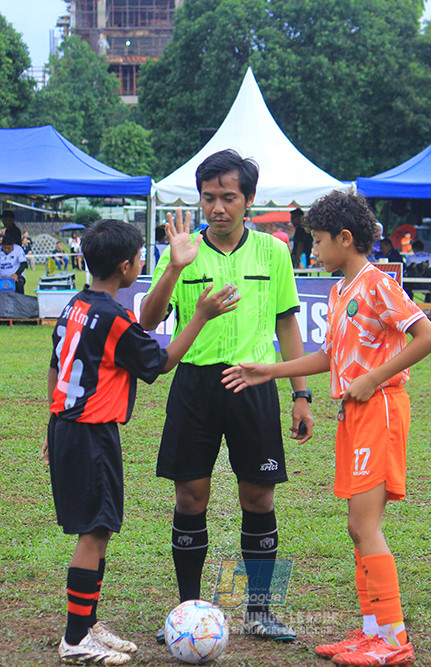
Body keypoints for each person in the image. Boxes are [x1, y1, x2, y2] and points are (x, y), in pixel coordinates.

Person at [221, 191, 431, 667]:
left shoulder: (378, 284)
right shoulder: (341, 290)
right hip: (353, 413)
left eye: (318, 241)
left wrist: (374, 377)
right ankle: (372, 631)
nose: (313, 250)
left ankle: (393, 640)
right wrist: (269, 371)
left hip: (380, 408)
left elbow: (428, 337)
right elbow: (331, 357)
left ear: (345, 238)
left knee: (365, 525)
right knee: (356, 527)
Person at [44, 219, 238, 666]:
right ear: (127, 267)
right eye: (140, 259)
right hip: (90, 432)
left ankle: (89, 623)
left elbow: (55, 366)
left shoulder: (77, 304)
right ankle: (75, 639)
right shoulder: (113, 318)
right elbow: (162, 362)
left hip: (69, 425)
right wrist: (200, 317)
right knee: (95, 530)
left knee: (100, 528)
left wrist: (52, 424)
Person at [138, 149, 313, 643]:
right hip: (194, 385)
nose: (217, 207)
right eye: (208, 197)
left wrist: (301, 395)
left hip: (254, 384)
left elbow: (286, 322)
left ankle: (259, 610)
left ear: (249, 199)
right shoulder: (181, 250)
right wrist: (173, 268)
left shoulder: (274, 252)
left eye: (228, 197)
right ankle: (188, 611)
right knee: (190, 497)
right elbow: (148, 320)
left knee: (259, 497)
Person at [0, 228, 28, 294]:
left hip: (17, 277)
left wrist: (16, 274)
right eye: (5, 248)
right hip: (2, 278)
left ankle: (20, 299)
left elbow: (24, 264)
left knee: (19, 285)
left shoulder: (18, 249)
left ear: (13, 245)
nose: (6, 250)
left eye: (9, 248)